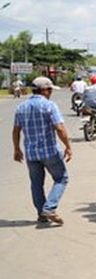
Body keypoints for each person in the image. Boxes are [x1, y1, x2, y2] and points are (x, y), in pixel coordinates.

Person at [11, 77, 73, 224]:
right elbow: (59, 128)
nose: (51, 92)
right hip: (49, 151)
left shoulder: (21, 107)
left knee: (36, 183)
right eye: (50, 89)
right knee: (61, 178)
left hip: (31, 153)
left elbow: (16, 130)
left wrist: (17, 149)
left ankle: (41, 213)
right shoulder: (49, 106)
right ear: (44, 90)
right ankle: (50, 208)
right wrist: (68, 146)